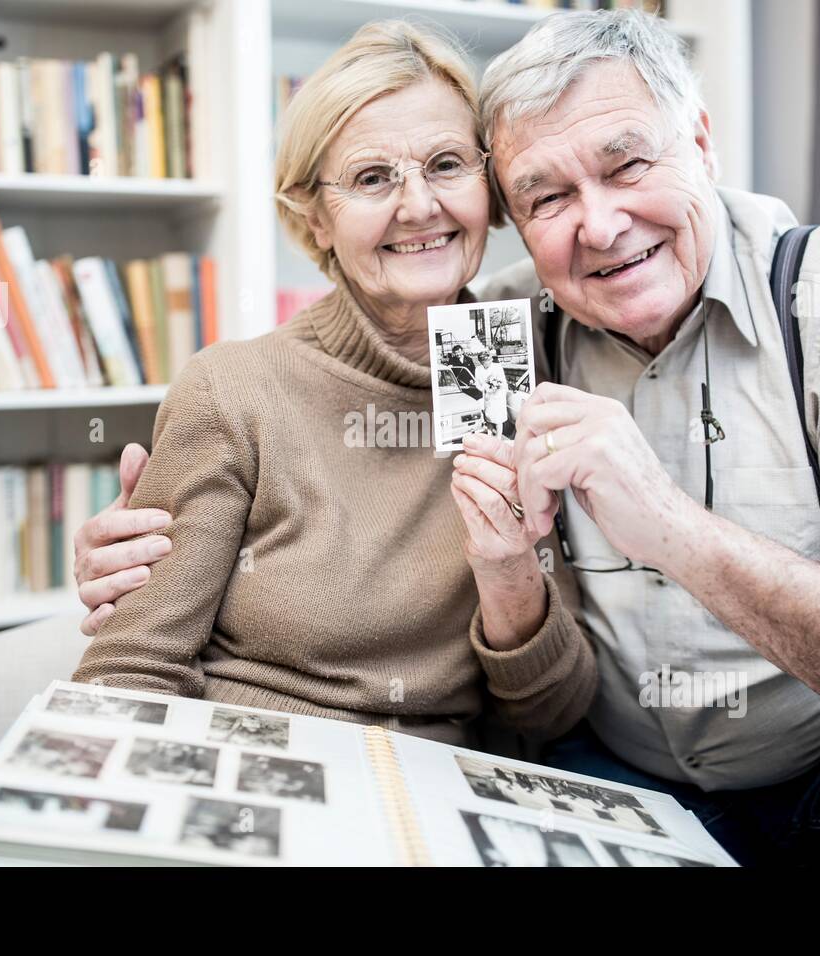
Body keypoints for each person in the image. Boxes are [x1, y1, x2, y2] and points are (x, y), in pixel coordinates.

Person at [462, 8, 820, 864]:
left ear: (701, 142)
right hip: (630, 766)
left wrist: (672, 529)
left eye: (626, 165)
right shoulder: (497, 330)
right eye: (546, 198)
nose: (599, 225)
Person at [70, 21, 596, 747]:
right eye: (373, 178)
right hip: (253, 765)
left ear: (492, 186)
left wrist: (509, 575)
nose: (418, 207)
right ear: (314, 216)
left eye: (446, 164)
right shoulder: (234, 389)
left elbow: (549, 718)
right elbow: (131, 667)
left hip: (432, 797)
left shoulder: (515, 372)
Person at [474, 349, 508, 437]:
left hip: (498, 396)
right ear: (481, 362)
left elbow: (503, 381)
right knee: (488, 417)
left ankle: (498, 438)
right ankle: (489, 435)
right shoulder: (478, 369)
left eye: (490, 359)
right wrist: (484, 389)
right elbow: (477, 383)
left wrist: (496, 386)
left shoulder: (497, 367)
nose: (489, 361)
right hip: (487, 396)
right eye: (486, 361)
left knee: (498, 418)